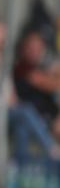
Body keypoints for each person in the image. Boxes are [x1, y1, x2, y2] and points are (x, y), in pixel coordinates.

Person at [11, 29, 60, 160]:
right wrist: (52, 76)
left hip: (49, 116)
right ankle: (51, 151)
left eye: (37, 48)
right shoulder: (21, 68)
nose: (34, 51)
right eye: (31, 47)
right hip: (33, 117)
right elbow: (46, 83)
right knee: (24, 123)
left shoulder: (43, 64)